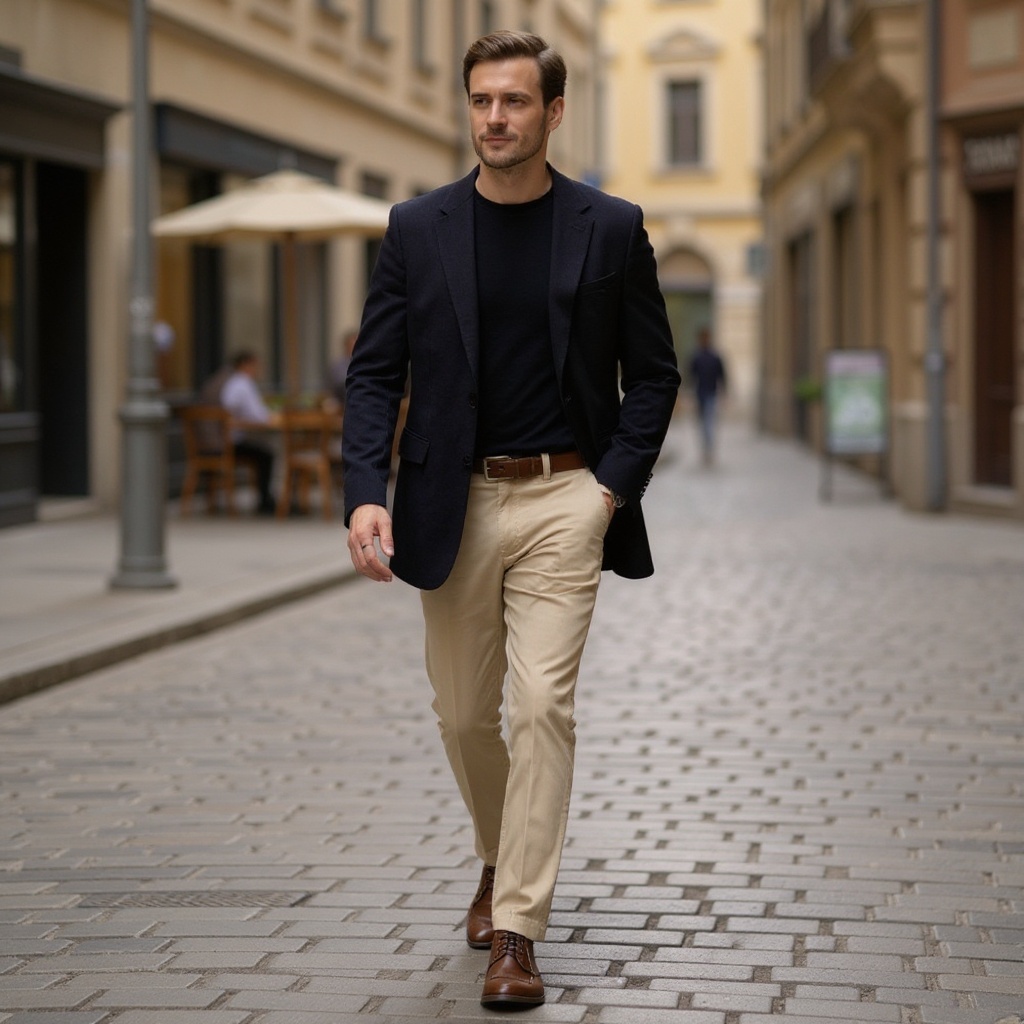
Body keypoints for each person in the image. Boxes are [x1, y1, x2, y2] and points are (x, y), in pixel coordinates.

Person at [342, 30, 680, 1010]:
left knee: (541, 708)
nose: (496, 117)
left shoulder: (609, 227)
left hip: (563, 498)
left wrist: (607, 489)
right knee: (460, 713)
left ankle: (518, 928)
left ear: (552, 112)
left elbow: (651, 375)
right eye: (483, 101)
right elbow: (373, 375)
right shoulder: (418, 226)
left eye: (515, 102)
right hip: (452, 499)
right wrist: (366, 486)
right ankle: (499, 853)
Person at [219, 350, 278, 514]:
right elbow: (258, 415)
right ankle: (265, 500)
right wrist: (272, 418)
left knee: (265, 451)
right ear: (245, 365)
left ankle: (267, 498)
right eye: (255, 365)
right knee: (267, 454)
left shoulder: (233, 383)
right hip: (235, 442)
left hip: (230, 439)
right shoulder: (243, 385)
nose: (258, 369)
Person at [688, 327, 727, 465]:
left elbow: (722, 376)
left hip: (711, 394)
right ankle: (706, 449)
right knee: (703, 423)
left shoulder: (714, 357)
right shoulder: (697, 357)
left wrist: (724, 394)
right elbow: (691, 376)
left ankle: (708, 450)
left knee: (708, 422)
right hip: (701, 394)